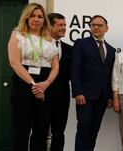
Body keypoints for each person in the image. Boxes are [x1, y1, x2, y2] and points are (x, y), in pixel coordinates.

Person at [7, 3, 59, 150]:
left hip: (46, 84)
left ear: (44, 20)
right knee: (21, 129)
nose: (36, 19)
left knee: (42, 129)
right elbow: (15, 63)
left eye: (40, 16)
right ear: (26, 18)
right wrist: (34, 85)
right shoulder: (17, 35)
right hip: (24, 83)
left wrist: (46, 83)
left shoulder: (50, 40)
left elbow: (56, 66)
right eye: (33, 16)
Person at [71, 15, 115, 151]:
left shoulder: (112, 50)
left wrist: (109, 97)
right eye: (93, 25)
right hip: (85, 97)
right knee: (83, 129)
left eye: (99, 25)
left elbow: (109, 76)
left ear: (106, 28)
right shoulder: (81, 43)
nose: (96, 27)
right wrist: (78, 92)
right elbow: (75, 69)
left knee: (93, 132)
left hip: (102, 98)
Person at [47, 12, 73, 151]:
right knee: (40, 131)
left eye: (65, 25)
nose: (64, 28)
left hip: (62, 97)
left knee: (59, 133)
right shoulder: (39, 45)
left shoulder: (69, 49)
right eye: (60, 25)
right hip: (42, 95)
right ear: (50, 26)